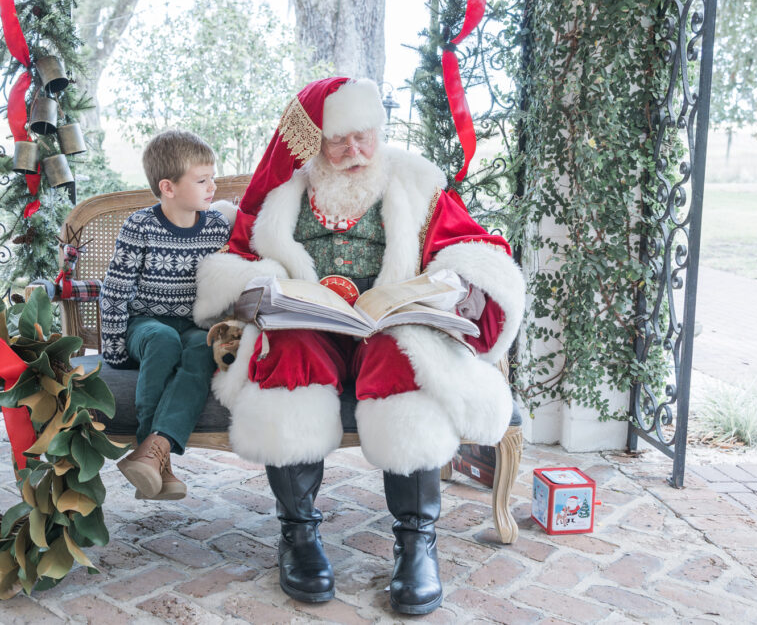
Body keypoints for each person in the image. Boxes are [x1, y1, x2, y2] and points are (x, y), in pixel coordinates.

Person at [192, 77, 524, 614]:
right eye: (339, 141)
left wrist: (454, 284)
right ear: (315, 142)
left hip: (385, 324)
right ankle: (299, 535)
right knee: (288, 355)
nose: (355, 152)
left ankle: (417, 542)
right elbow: (240, 260)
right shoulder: (285, 193)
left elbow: (469, 245)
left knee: (404, 363)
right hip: (312, 323)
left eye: (364, 137)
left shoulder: (413, 183)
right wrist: (267, 286)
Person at [100, 130, 235, 501]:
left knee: (198, 350)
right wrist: (114, 347)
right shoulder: (140, 225)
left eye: (213, 177)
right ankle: (157, 458)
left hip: (194, 324)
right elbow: (116, 288)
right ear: (168, 187)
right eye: (202, 180)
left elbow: (227, 282)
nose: (213, 186)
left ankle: (150, 457)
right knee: (163, 340)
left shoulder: (215, 227)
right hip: (146, 323)